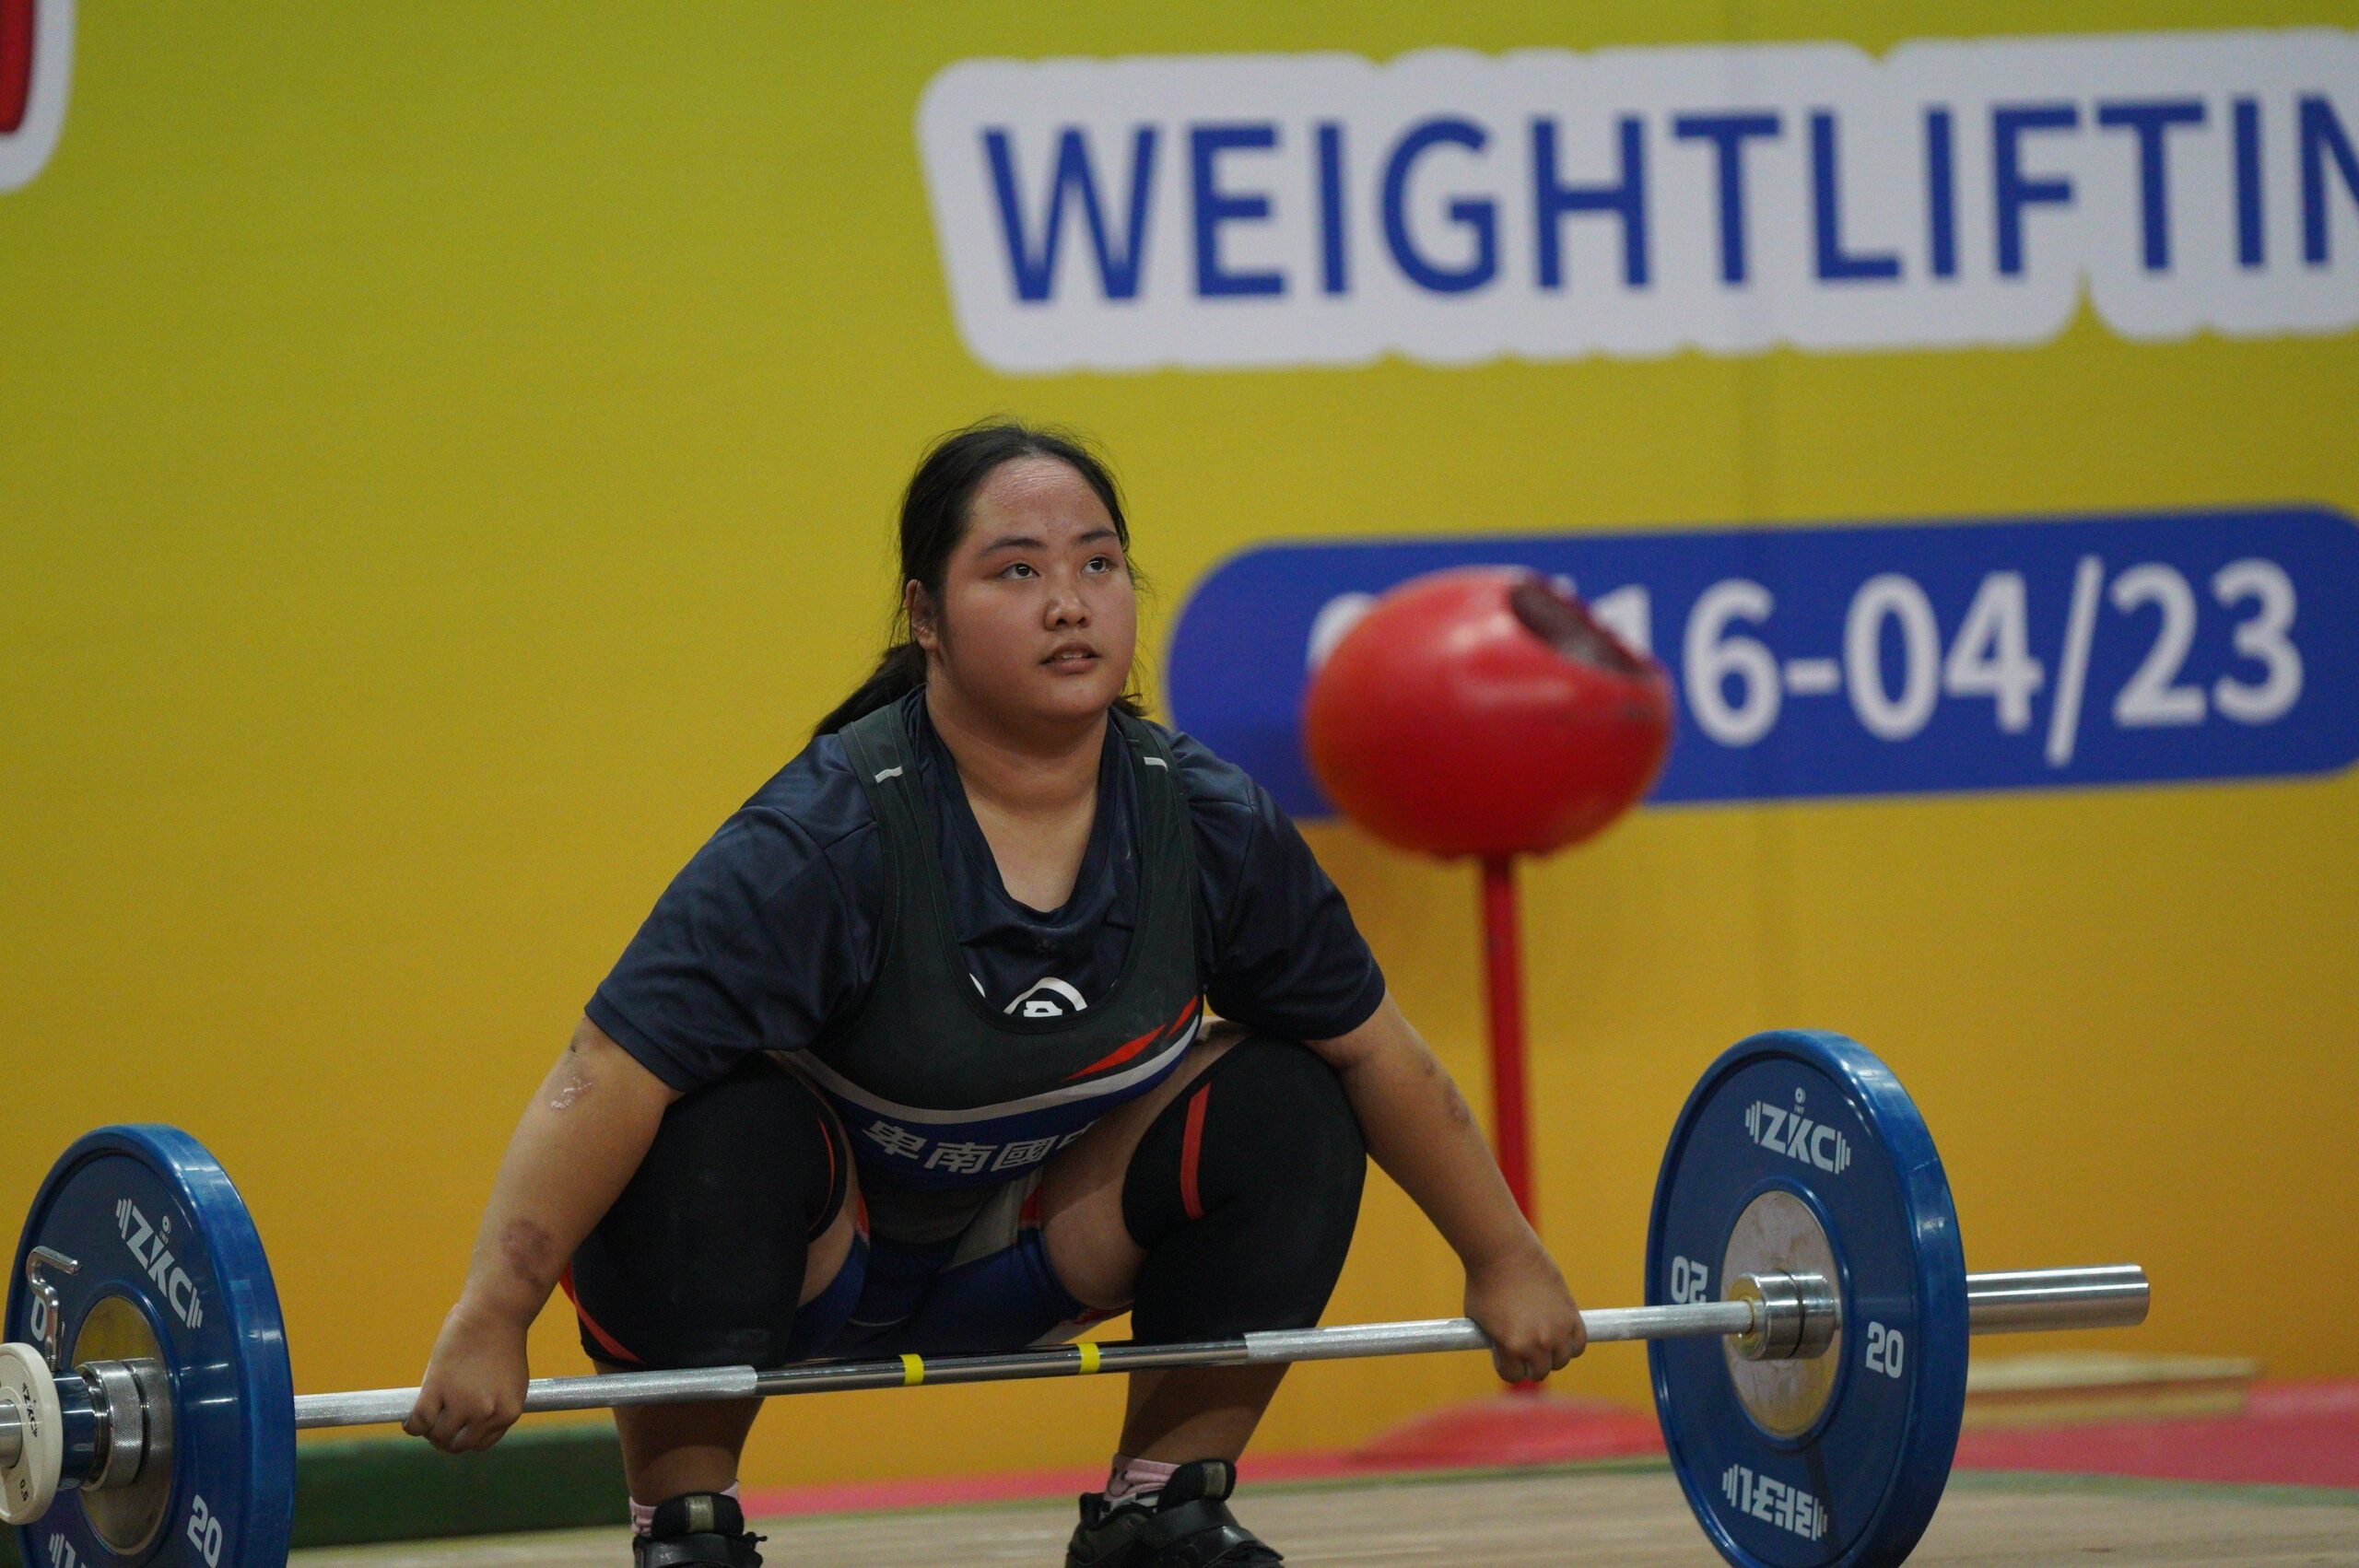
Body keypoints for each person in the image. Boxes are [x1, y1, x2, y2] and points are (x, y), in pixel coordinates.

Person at [405, 421, 1586, 1567]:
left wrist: (1505, 1255)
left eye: (1098, 565)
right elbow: (602, 1071)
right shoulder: (831, 833)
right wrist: (493, 1310)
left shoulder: (1204, 819)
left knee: (1292, 1089)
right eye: (1015, 571)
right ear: (924, 616)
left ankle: (1158, 1507)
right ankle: (685, 1527)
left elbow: (1381, 1053)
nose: (1069, 603)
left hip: (1035, 1244)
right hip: (822, 1254)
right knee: (702, 1120)